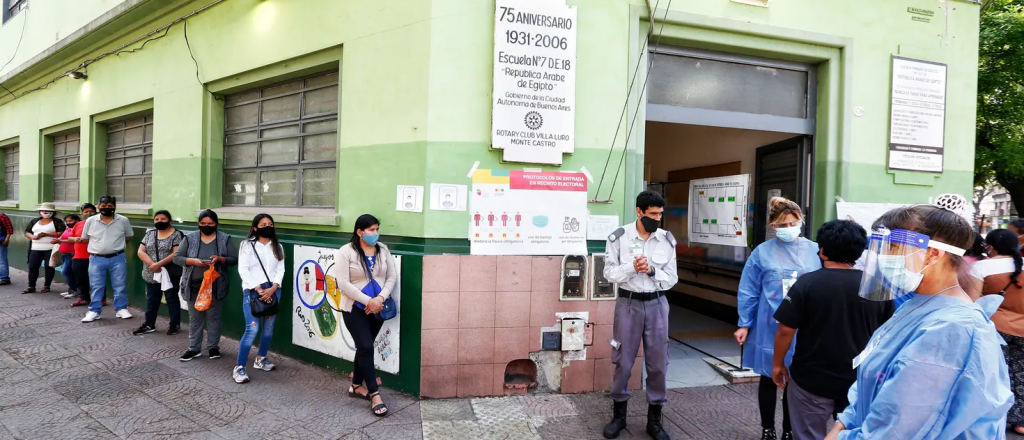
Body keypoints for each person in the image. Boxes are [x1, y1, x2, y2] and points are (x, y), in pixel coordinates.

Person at [825, 197, 1013, 440]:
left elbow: (896, 430)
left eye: (894, 247)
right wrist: (843, 424)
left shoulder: (952, 329)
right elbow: (873, 387)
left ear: (933, 254)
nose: (884, 257)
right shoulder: (918, 305)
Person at [771, 220, 894, 440]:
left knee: (807, 435)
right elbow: (889, 333)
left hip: (811, 379)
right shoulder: (877, 286)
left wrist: (777, 364)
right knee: (854, 434)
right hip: (859, 381)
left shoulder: (807, 283)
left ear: (822, 251)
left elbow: (785, 330)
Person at [735, 196, 821, 440]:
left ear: (801, 221)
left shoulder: (815, 250)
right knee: (768, 376)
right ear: (773, 226)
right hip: (769, 324)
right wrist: (744, 324)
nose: (788, 228)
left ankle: (789, 430)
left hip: (805, 325)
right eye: (782, 225)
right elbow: (749, 290)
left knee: (795, 381)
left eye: (793, 223)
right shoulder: (762, 252)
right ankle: (768, 428)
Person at [601, 191, 678, 440]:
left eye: (660, 214)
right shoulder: (619, 237)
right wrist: (632, 267)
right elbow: (608, 273)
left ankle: (654, 420)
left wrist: (653, 271)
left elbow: (672, 278)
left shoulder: (666, 239)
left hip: (657, 305)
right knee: (623, 361)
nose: (657, 218)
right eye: (652, 214)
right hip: (628, 303)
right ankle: (619, 416)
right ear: (639, 211)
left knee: (658, 363)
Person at [333, 214, 398, 417]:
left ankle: (355, 385)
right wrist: (368, 301)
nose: (375, 233)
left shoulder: (383, 249)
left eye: (377, 229)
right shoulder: (346, 251)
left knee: (364, 347)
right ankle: (374, 393)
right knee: (367, 347)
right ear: (360, 232)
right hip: (354, 308)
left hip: (378, 308)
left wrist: (379, 299)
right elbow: (343, 283)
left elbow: (391, 276)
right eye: (371, 230)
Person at [971, 228, 1024, 434]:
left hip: (995, 328)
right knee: (1021, 374)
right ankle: (1020, 422)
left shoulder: (982, 267)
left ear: (991, 247)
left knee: (994, 374)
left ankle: (994, 418)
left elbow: (974, 302)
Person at [175, 209, 237, 361]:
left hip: (215, 285)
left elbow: (234, 259)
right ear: (198, 223)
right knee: (195, 318)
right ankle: (194, 348)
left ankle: (213, 347)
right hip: (193, 285)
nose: (206, 226)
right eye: (203, 223)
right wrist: (193, 261)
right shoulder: (190, 238)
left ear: (216, 224)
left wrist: (220, 259)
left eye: (210, 223)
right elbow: (177, 258)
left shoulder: (224, 238)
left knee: (213, 317)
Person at [233, 214, 285, 384]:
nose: (267, 227)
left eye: (270, 224)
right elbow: (243, 269)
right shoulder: (247, 245)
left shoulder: (277, 246)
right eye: (263, 224)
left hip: (273, 292)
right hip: (253, 292)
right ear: (255, 228)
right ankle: (239, 367)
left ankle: (261, 358)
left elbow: (281, 269)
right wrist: (258, 288)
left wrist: (273, 288)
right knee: (252, 329)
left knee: (268, 329)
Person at [79, 196, 134, 322]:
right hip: (96, 258)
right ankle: (94, 311)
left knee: (120, 284)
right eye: (103, 206)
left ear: (115, 207)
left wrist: (114, 246)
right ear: (98, 207)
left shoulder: (123, 220)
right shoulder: (91, 220)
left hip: (117, 257)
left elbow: (128, 237)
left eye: (110, 206)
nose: (106, 208)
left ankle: (121, 308)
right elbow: (85, 238)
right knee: (96, 285)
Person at [134, 210, 185, 336]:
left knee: (171, 298)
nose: (159, 221)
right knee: (152, 299)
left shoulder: (177, 235)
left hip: (169, 273)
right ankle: (149, 324)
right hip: (151, 272)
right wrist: (152, 264)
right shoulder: (150, 234)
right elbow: (141, 251)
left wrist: (159, 264)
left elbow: (176, 253)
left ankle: (174, 325)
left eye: (163, 219)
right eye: (156, 219)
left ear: (170, 221)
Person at [22, 203, 66, 294]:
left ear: (53, 212)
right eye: (43, 210)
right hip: (35, 248)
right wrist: (33, 237)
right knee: (32, 267)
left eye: (48, 211)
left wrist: (47, 234)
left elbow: (63, 232)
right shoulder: (35, 221)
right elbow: (27, 231)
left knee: (49, 267)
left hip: (50, 248)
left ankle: (47, 286)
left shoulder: (57, 221)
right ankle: (31, 286)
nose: (45, 212)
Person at [69, 204, 97, 307]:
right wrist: (74, 239)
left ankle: (100, 298)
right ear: (82, 214)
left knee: (96, 279)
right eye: (86, 211)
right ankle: (84, 298)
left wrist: (86, 240)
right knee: (80, 279)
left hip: (94, 255)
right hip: (78, 256)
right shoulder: (78, 224)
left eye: (91, 211)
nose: (89, 213)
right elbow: (70, 237)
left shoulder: (99, 224)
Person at [54, 213, 81, 299]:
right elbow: (62, 237)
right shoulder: (68, 228)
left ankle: (75, 290)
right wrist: (57, 240)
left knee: (65, 272)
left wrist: (60, 240)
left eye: (70, 221)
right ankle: (71, 289)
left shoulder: (78, 229)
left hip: (72, 253)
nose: (68, 223)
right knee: (69, 273)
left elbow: (73, 240)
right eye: (67, 221)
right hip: (64, 253)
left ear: (76, 220)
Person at [0, 210, 13, 286]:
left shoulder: (2, 216)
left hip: (1, 241)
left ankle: (4, 278)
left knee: (2, 260)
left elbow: (9, 228)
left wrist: (7, 238)